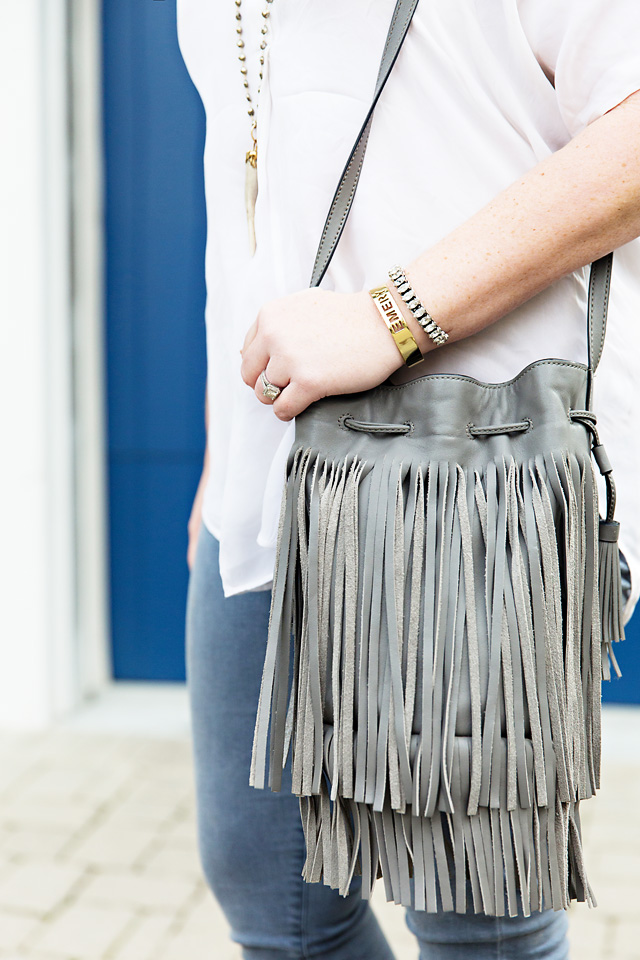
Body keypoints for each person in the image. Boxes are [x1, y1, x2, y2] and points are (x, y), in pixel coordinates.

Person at [178, 1, 640, 957]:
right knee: (268, 893)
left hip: (475, 473)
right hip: (270, 483)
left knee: (476, 914)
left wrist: (393, 316)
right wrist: (222, 451)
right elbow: (258, 185)